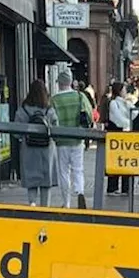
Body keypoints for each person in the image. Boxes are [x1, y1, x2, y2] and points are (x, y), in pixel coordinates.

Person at [51, 70, 94, 209]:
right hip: (77, 139)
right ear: (71, 82)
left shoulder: (54, 99)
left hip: (61, 141)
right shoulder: (80, 96)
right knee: (78, 169)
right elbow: (90, 115)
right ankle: (80, 191)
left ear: (59, 83)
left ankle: (66, 202)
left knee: (63, 172)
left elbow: (51, 120)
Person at [13, 79, 58, 206]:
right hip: (46, 150)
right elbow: (56, 129)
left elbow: (16, 132)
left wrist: (24, 137)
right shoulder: (49, 110)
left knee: (31, 181)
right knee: (46, 182)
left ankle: (32, 204)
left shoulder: (23, 109)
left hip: (29, 149)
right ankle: (45, 207)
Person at [105, 82, 133, 196]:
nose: (126, 91)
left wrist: (128, 104)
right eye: (124, 89)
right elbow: (118, 119)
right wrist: (128, 123)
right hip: (116, 134)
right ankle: (112, 187)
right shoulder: (113, 103)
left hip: (124, 135)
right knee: (115, 161)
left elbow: (135, 112)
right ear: (119, 91)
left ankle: (125, 188)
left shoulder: (125, 102)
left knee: (125, 161)